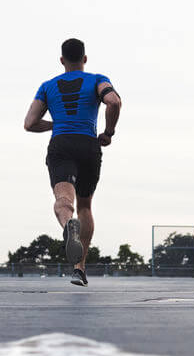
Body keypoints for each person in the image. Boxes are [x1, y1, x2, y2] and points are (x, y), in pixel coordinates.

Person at [23, 38, 122, 287]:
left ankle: (69, 227)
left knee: (63, 201)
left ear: (61, 60)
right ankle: (79, 269)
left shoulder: (47, 86)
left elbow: (30, 123)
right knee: (85, 206)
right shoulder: (97, 79)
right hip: (89, 145)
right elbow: (114, 102)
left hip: (62, 145)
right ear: (85, 59)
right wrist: (108, 133)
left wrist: (57, 124)